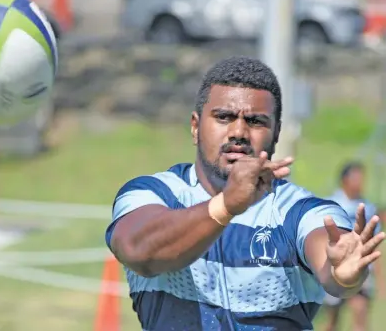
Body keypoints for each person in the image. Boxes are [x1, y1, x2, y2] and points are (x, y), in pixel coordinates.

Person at [105, 57, 385, 330]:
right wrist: (226, 206)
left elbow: (329, 260)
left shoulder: (301, 210)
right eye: (224, 117)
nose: (238, 131)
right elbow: (138, 250)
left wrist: (344, 275)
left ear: (275, 135)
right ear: (194, 127)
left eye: (255, 121)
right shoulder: (152, 193)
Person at [323, 162, 385, 331]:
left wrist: (380, 279)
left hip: (362, 269)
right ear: (344, 180)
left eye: (362, 178)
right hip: (335, 270)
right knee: (332, 321)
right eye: (356, 178)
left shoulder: (368, 207)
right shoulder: (331, 204)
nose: (360, 182)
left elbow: (372, 243)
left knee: (360, 313)